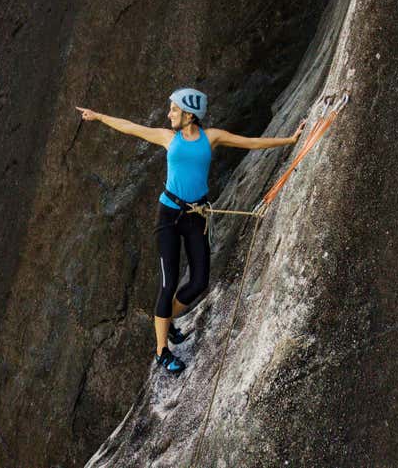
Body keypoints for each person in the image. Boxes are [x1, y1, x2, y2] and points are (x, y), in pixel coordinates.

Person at [76, 88, 305, 374]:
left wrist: (290, 139)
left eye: (173, 109)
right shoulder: (169, 139)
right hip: (169, 215)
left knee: (199, 281)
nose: (168, 114)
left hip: (196, 215)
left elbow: (251, 143)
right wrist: (98, 117)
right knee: (168, 283)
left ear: (188, 114)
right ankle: (162, 351)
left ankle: (166, 321)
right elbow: (132, 128)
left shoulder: (211, 137)